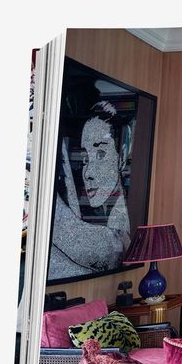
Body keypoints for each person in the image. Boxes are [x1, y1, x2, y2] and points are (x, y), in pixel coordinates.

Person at [49, 101, 132, 280]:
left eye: (101, 155)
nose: (88, 174)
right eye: (85, 159)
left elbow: (105, 250)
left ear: (122, 156)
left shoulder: (116, 241)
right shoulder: (97, 221)